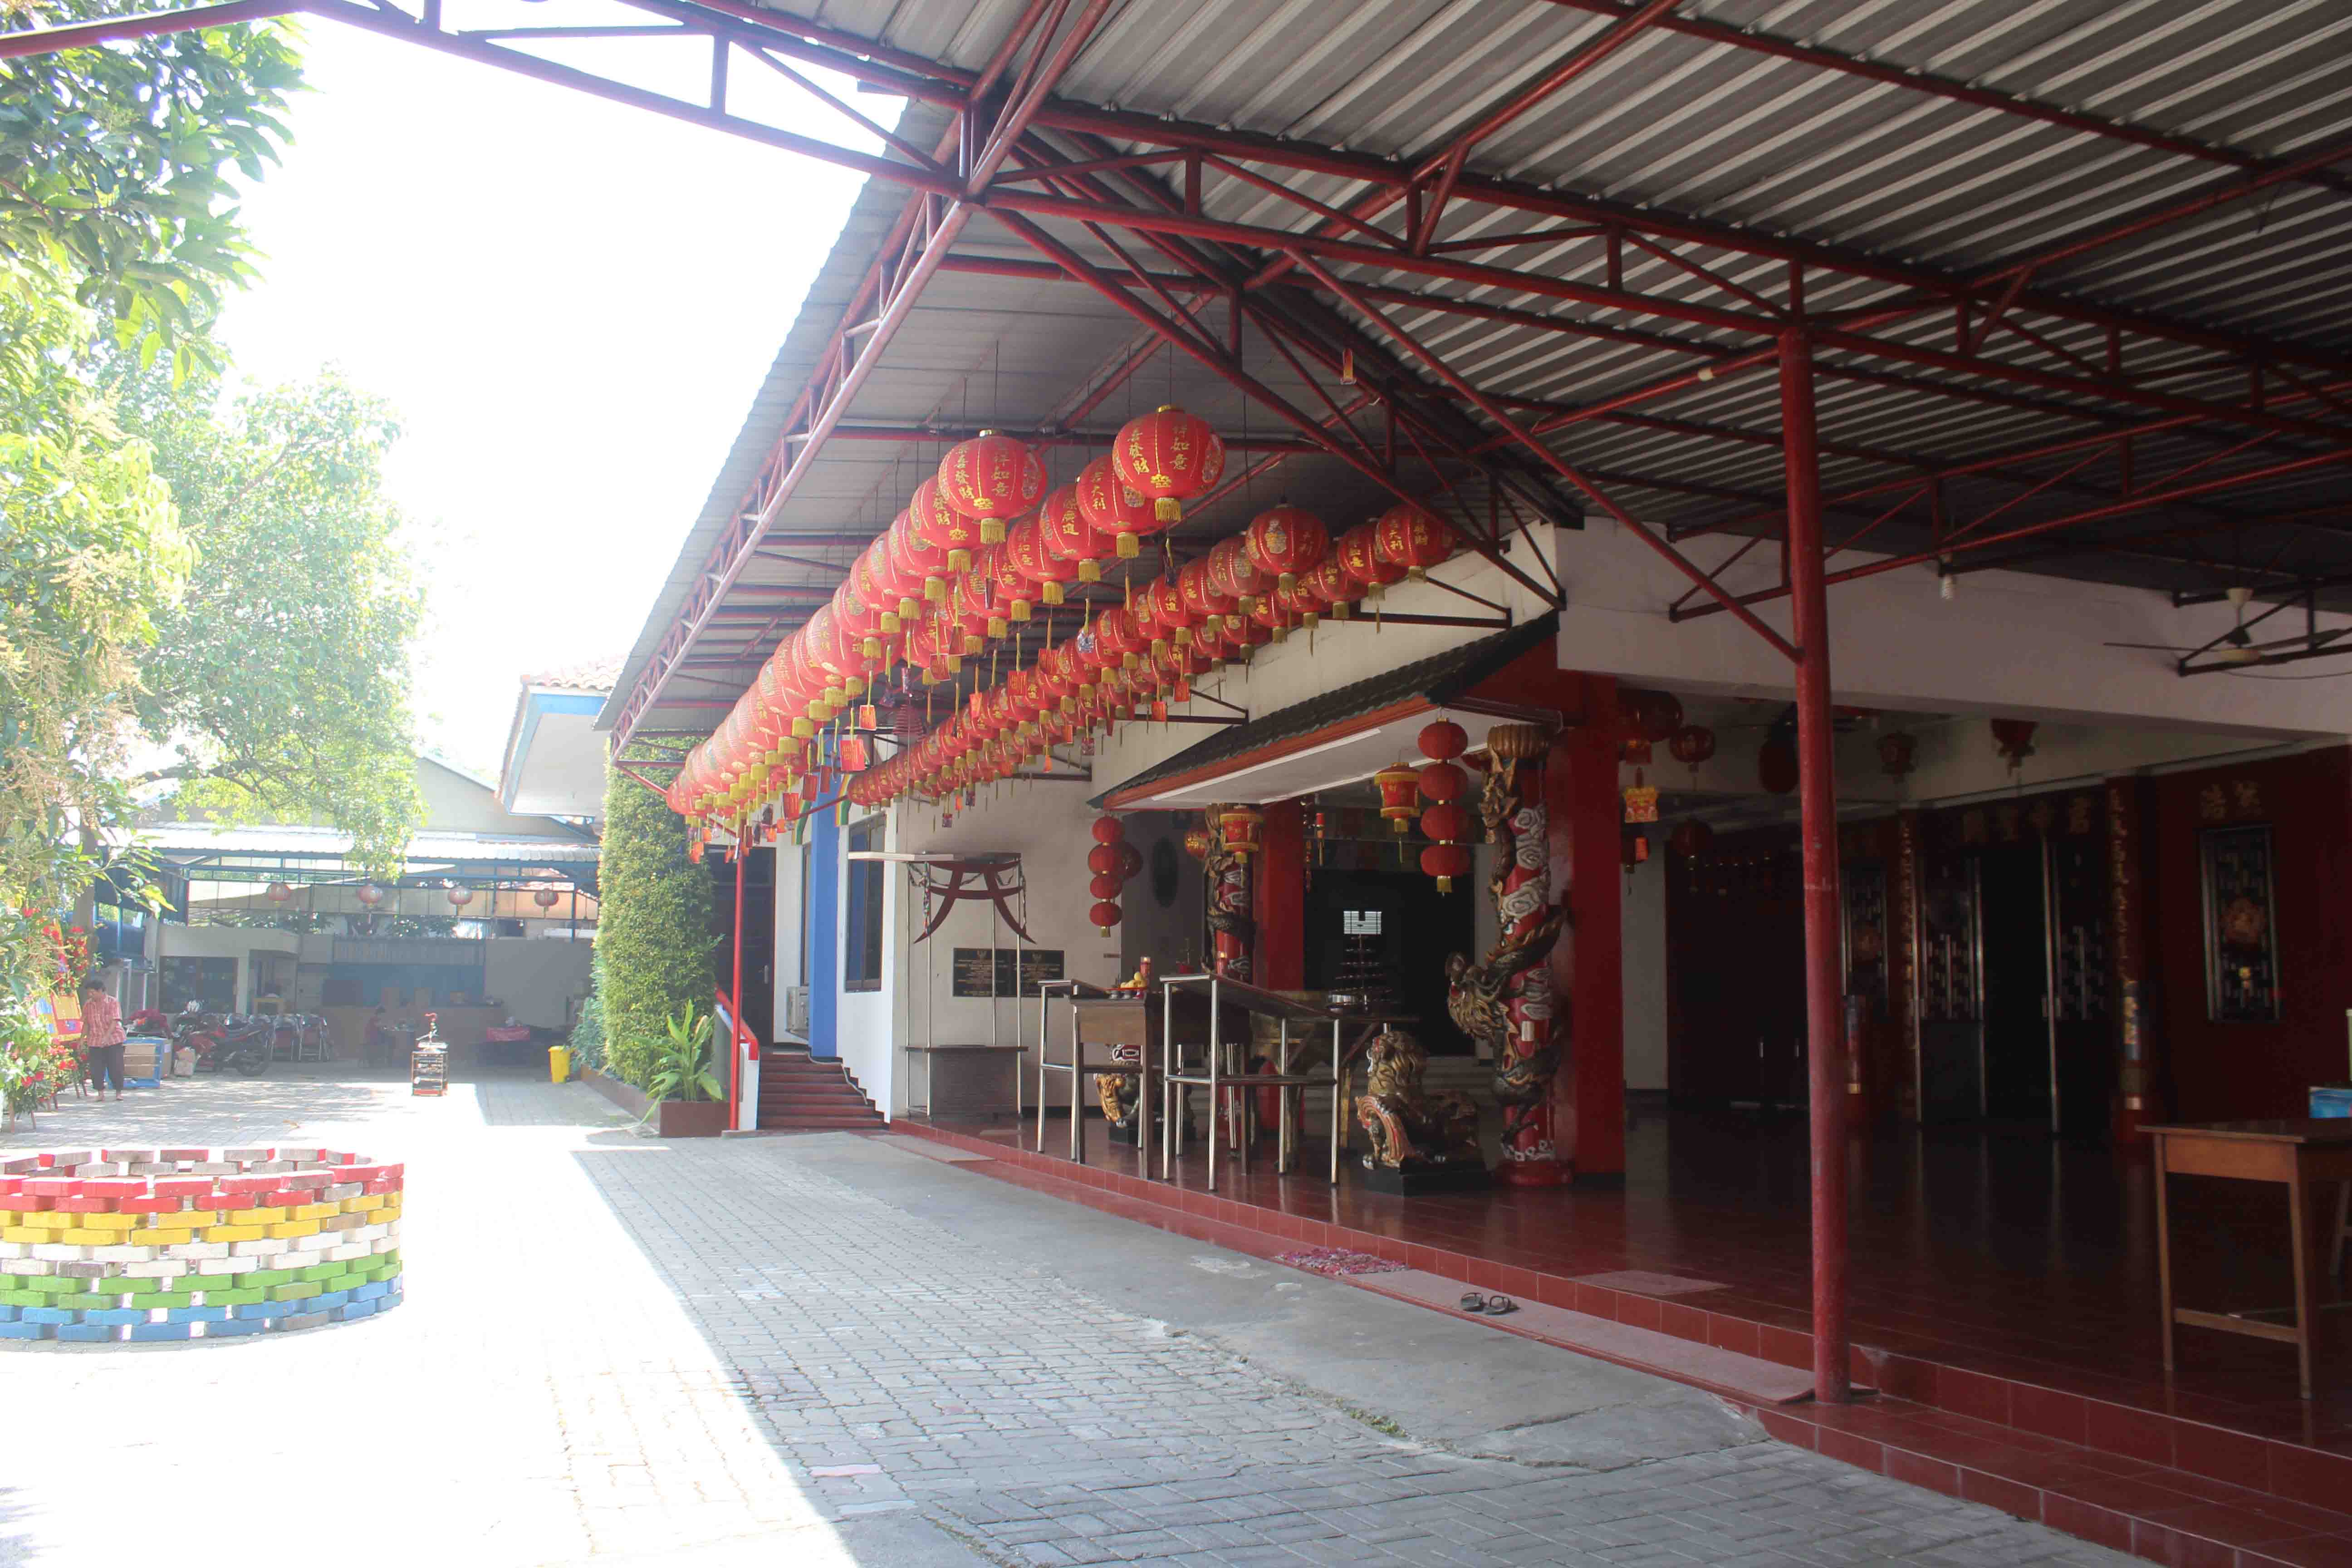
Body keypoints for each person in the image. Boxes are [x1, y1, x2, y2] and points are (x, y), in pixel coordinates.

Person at [80, 978, 126, 1101]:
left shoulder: (113, 1002)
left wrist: (106, 1037)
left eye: (93, 992)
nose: (91, 995)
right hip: (95, 1041)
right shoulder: (88, 1005)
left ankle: (118, 1092)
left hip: (114, 1040)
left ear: (101, 991)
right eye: (89, 993)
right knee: (96, 1069)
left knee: (116, 1067)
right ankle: (100, 1093)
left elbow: (115, 1021)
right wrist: (82, 1040)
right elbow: (86, 1024)